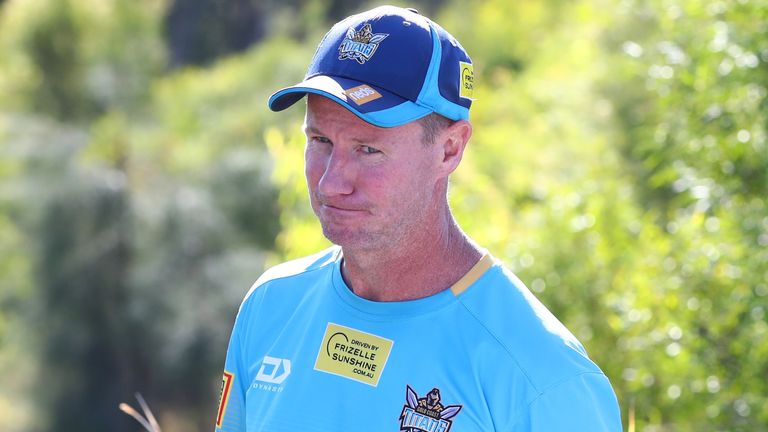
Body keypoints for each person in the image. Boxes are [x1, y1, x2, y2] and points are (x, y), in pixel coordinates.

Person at [214, 5, 622, 431]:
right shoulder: (272, 305)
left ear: (450, 149)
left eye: (368, 149)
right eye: (320, 140)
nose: (332, 182)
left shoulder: (543, 379)